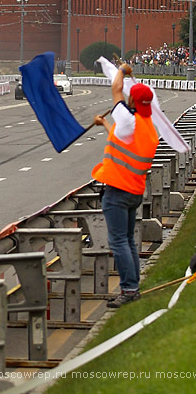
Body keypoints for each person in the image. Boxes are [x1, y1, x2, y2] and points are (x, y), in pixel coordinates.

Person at [92, 63, 159, 308]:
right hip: (134, 192)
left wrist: (121, 68)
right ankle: (132, 285)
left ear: (133, 101)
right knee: (128, 240)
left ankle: (129, 289)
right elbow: (121, 138)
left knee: (119, 241)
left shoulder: (128, 120)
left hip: (117, 192)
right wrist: (105, 125)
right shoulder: (147, 129)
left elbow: (116, 88)